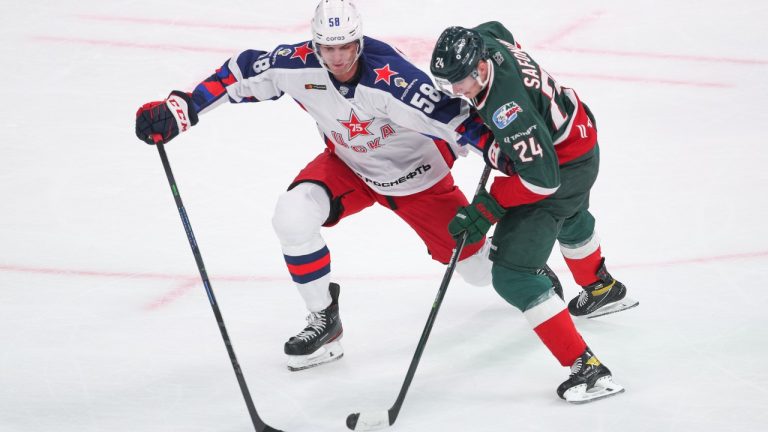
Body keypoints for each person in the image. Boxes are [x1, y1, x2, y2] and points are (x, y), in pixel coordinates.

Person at [134, 1, 562, 372]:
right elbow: (243, 72)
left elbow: (456, 118)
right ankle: (324, 320)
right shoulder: (297, 63)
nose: (337, 58)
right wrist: (183, 107)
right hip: (350, 167)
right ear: (315, 44)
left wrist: (505, 154)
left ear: (359, 42)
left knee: (478, 274)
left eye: (345, 48)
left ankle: (519, 263)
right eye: (327, 48)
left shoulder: (395, 82)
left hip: (420, 180)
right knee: (292, 216)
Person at [429, 22, 636, 403]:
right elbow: (495, 27)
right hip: (579, 137)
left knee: (511, 274)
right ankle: (601, 287)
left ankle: (588, 371)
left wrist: (488, 206)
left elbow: (542, 181)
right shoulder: (487, 43)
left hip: (562, 168)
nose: (455, 91)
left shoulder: (508, 109)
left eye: (459, 81)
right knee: (570, 215)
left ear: (478, 67)